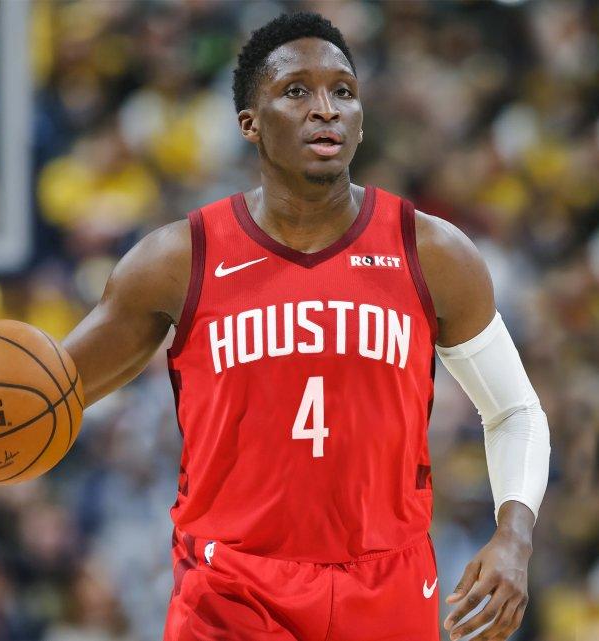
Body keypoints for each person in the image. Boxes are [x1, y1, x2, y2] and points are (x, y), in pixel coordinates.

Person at [63, 12, 551, 641]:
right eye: (297, 91)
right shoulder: (178, 259)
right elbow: (54, 390)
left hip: (388, 584)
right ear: (249, 123)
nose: (326, 109)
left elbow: (515, 411)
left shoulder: (431, 252)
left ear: (361, 120)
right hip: (232, 589)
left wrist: (514, 536)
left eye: (343, 92)